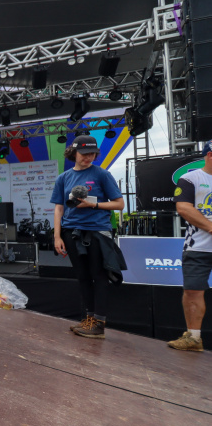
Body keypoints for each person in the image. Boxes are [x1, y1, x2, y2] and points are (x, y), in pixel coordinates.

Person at [50, 134, 125, 339]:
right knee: (83, 277)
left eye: (92, 153)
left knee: (99, 276)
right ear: (74, 152)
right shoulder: (63, 178)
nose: (88, 157)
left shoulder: (102, 174)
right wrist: (57, 236)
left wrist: (94, 204)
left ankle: (99, 323)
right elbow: (58, 208)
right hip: (71, 232)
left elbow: (119, 204)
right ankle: (89, 319)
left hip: (97, 231)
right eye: (84, 154)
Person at [169, 140, 212, 352]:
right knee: (193, 291)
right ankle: (194, 338)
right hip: (198, 247)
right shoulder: (191, 178)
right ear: (210, 155)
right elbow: (184, 208)